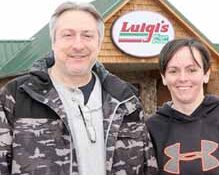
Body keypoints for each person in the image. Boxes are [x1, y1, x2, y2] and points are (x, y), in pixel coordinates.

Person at [0, 2, 158, 175]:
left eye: (87, 36)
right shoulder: (16, 96)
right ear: (53, 42)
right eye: (68, 35)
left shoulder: (126, 101)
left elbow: (147, 168)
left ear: (98, 43)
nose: (78, 45)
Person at [146, 38, 219, 175]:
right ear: (164, 77)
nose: (182, 78)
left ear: (206, 74)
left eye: (192, 70)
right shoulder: (152, 128)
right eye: (173, 71)